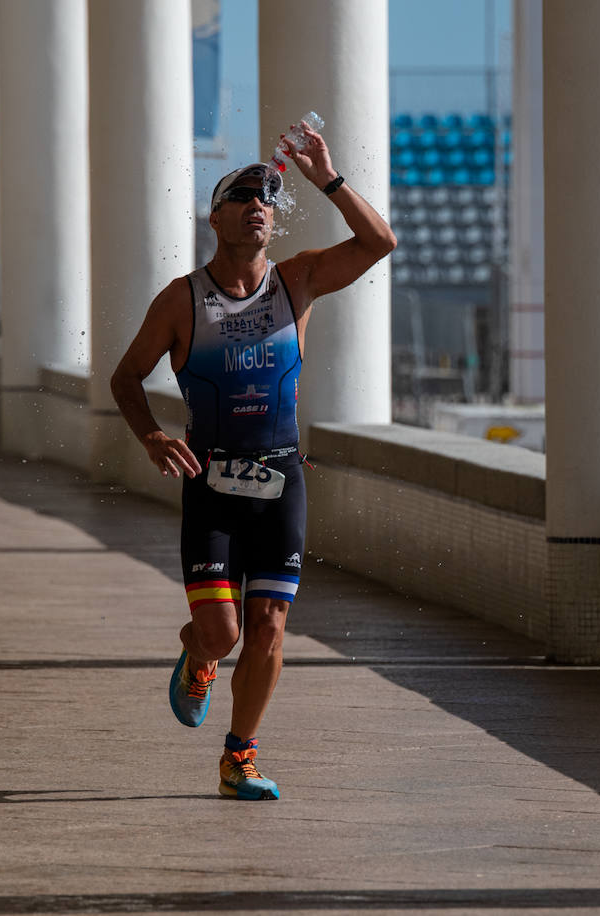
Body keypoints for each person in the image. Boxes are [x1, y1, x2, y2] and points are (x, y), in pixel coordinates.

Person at [110, 126, 395, 800]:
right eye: (241, 196)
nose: (258, 204)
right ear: (215, 217)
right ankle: (200, 654)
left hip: (281, 479)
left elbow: (379, 244)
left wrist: (328, 178)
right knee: (223, 629)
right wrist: (150, 434)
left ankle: (239, 756)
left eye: (266, 196)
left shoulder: (297, 282)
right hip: (209, 480)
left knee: (269, 625)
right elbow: (126, 377)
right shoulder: (182, 300)